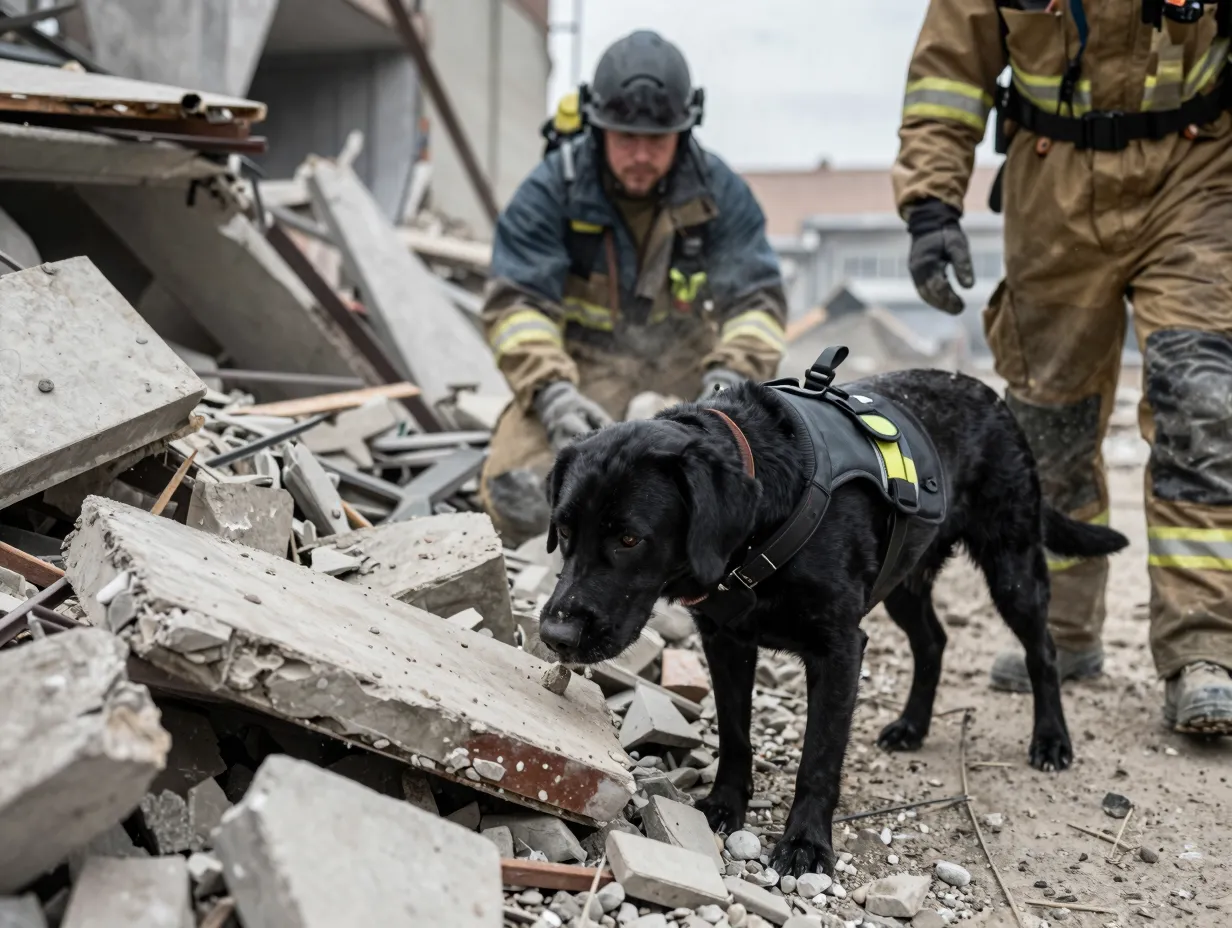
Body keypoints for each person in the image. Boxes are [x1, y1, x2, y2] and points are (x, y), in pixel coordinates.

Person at [891, 0, 1232, 734]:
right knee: (1051, 426)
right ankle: (1065, 633)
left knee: (1203, 403)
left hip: (1196, 171)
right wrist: (930, 208)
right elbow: (948, 72)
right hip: (1054, 187)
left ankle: (1204, 651)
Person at [478, 29, 788, 546]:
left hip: (691, 374)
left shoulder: (720, 195)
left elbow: (757, 303)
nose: (641, 155)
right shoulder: (551, 190)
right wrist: (553, 394)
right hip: (579, 371)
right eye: (626, 138)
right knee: (516, 491)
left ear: (684, 132)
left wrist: (727, 386)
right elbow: (515, 306)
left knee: (752, 492)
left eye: (657, 140)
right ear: (598, 129)